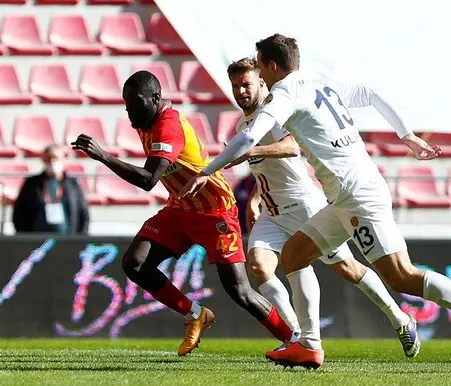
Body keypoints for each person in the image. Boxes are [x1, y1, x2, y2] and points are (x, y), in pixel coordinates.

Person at [179, 34, 451, 369]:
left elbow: (251, 137)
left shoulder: (285, 93)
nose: (261, 74)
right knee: (294, 254)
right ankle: (309, 345)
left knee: (402, 276)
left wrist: (207, 171)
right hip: (343, 198)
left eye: (261, 67)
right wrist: (406, 135)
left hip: (357, 196)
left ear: (272, 65)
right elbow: (371, 93)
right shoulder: (321, 83)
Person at [71, 70, 294, 357]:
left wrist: (104, 156)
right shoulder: (145, 118)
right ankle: (195, 314)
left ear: (155, 98)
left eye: (135, 102)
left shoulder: (167, 126)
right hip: (181, 207)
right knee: (135, 263)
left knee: (239, 290)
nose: (130, 110)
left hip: (214, 210)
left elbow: (148, 180)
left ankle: (293, 340)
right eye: (126, 103)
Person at [224, 57, 419, 358]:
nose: (241, 91)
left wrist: (252, 149)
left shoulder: (277, 111)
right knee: (258, 266)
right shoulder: (243, 124)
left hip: (303, 204)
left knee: (347, 268)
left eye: (246, 84)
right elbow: (264, 169)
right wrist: (254, 198)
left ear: (261, 82)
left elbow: (292, 147)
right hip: (273, 214)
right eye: (235, 86)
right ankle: (297, 334)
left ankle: (400, 318)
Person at [13, 144, 90, 235]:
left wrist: (80, 238)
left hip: (67, 238)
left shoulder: (73, 184)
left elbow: (83, 214)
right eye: (48, 158)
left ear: (63, 159)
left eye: (55, 158)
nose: (52, 161)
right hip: (38, 239)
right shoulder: (32, 184)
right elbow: (19, 213)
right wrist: (25, 238)